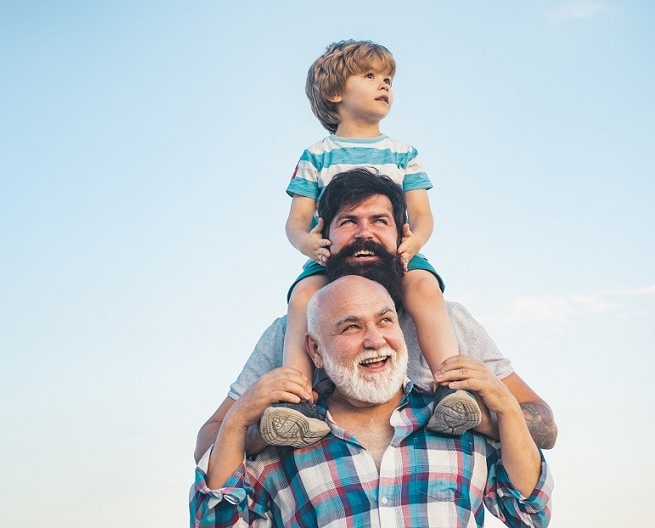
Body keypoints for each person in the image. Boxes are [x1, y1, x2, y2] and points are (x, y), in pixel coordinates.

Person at [195, 169, 558, 461]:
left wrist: (486, 415)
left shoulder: (450, 322)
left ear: (403, 234)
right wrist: (258, 427)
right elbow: (205, 446)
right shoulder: (290, 332)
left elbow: (546, 428)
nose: (364, 233)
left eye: (379, 221)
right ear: (325, 237)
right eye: (348, 222)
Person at [190, 275, 553, 528]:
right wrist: (237, 419)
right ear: (315, 350)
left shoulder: (459, 423)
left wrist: (505, 406)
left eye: (385, 321)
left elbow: (529, 514)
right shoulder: (281, 446)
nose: (375, 340)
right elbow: (216, 522)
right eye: (351, 327)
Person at [270, 39, 478, 446]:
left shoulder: (403, 152)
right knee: (302, 299)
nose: (384, 85)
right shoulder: (316, 155)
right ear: (335, 93)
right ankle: (295, 402)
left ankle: (450, 389)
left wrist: (413, 242)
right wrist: (307, 245)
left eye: (387, 79)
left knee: (425, 288)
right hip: (333, 257)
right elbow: (296, 220)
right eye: (369, 76)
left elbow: (421, 213)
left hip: (395, 253)